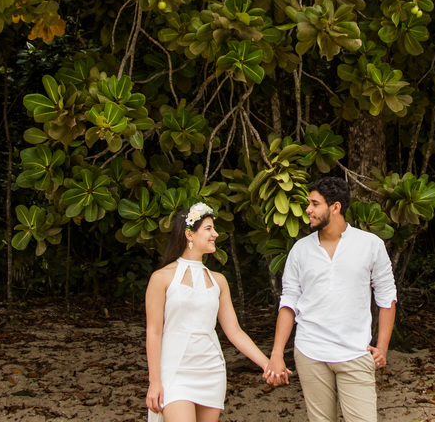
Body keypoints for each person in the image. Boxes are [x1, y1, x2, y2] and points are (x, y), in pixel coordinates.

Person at [263, 176, 397, 422]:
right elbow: (289, 302)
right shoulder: (300, 250)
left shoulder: (370, 245)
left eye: (315, 204)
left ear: (335, 207)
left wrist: (383, 347)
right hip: (310, 352)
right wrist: (277, 353)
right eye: (308, 203)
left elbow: (387, 296)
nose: (308, 210)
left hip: (356, 352)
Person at [145, 202, 276, 422]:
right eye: (208, 229)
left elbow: (234, 331)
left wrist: (266, 364)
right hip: (175, 369)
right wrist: (154, 381)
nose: (215, 234)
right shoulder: (161, 278)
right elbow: (154, 332)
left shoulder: (219, 281)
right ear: (189, 234)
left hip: (210, 369)